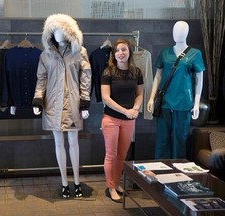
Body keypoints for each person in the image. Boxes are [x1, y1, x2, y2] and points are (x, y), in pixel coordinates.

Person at [32, 14, 91, 198]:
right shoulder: (46, 54)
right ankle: (65, 183)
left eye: (61, 30)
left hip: (73, 104)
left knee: (74, 143)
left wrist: (85, 101)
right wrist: (38, 99)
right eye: (53, 30)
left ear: (68, 32)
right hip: (53, 105)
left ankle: (77, 182)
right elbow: (41, 78)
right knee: (58, 143)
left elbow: (85, 76)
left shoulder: (79, 52)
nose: (57, 34)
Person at [147, 21, 205, 159]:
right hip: (165, 102)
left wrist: (196, 103)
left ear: (187, 33)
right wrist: (151, 98)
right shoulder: (165, 53)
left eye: (181, 30)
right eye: (175, 30)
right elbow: (158, 76)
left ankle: (178, 171)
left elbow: (199, 80)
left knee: (180, 138)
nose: (177, 33)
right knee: (162, 139)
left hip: (184, 102)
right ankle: (160, 170)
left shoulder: (195, 54)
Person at [101, 38, 143, 202]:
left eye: (124, 49)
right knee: (111, 154)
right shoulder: (108, 72)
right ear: (114, 54)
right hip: (111, 119)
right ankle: (111, 187)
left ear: (129, 52)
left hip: (129, 120)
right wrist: (126, 111)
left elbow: (139, 94)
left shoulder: (136, 72)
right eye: (117, 50)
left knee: (122, 155)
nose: (121, 53)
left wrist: (135, 109)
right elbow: (106, 98)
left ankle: (117, 183)